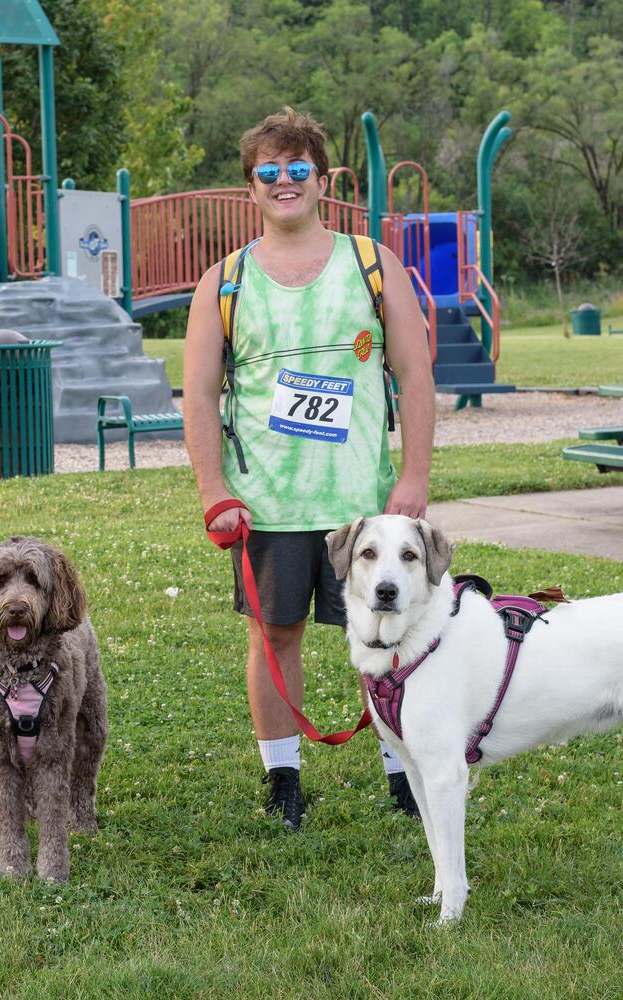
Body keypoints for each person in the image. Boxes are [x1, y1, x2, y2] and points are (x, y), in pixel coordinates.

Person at [183, 107, 434, 831]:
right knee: (277, 638)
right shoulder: (223, 283)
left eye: (298, 170)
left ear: (323, 181)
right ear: (250, 189)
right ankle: (283, 779)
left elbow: (414, 376)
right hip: (268, 505)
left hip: (364, 504)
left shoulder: (371, 264)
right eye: (269, 172)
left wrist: (412, 479)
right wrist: (214, 493)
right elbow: (199, 395)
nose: (284, 182)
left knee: (388, 631)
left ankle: (401, 774)